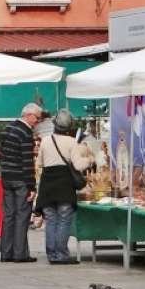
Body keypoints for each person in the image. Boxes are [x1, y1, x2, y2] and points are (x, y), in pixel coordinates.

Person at [34, 108, 92, 265]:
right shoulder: (72, 142)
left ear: (54, 125)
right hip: (64, 187)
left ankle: (52, 254)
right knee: (64, 220)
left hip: (47, 186)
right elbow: (79, 165)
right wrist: (90, 160)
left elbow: (39, 163)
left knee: (51, 220)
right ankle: (61, 254)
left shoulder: (46, 141)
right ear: (68, 127)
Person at [0, 102, 41, 263]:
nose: (37, 122)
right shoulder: (25, 133)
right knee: (22, 216)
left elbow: (1, 155)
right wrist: (32, 186)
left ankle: (6, 252)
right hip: (21, 180)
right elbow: (27, 162)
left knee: (8, 216)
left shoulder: (7, 128)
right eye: (36, 118)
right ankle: (19, 254)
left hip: (7, 178)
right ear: (28, 115)